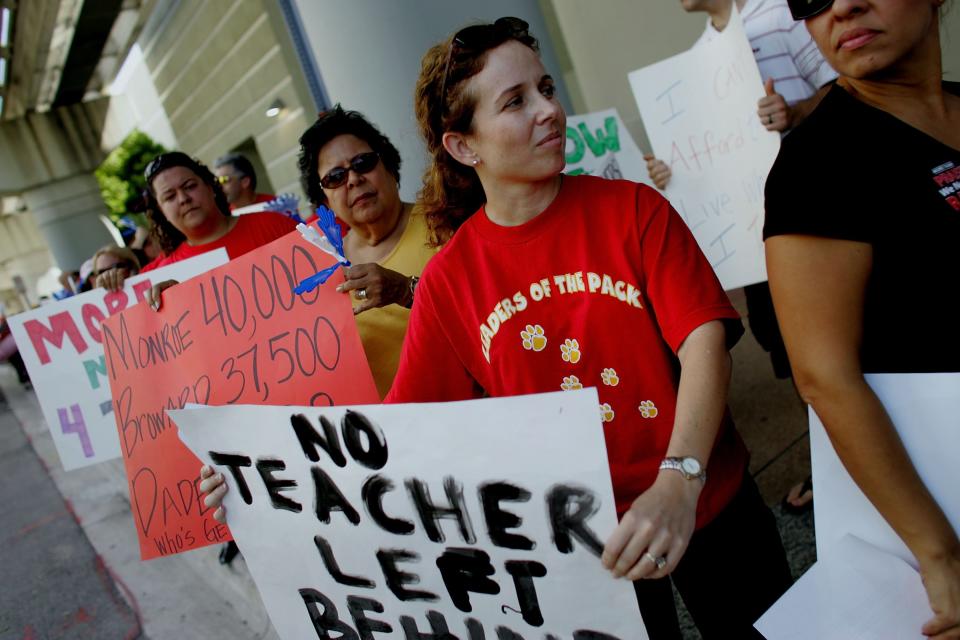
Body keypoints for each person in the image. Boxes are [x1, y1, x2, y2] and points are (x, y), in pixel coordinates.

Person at [204, 16, 792, 638]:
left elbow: (704, 340)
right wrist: (260, 471)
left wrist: (681, 479)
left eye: (546, 88)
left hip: (709, 502)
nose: (548, 110)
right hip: (579, 549)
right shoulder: (450, 281)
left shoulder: (633, 208)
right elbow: (396, 432)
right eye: (516, 101)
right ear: (464, 145)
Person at [764, 0, 959, 636]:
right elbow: (824, 376)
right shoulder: (817, 164)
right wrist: (939, 553)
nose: (841, 6)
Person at [297, 106, 437, 399]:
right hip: (391, 437)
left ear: (389, 165)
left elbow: (484, 304)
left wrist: (406, 290)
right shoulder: (322, 270)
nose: (353, 179)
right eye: (335, 177)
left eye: (363, 162)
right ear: (325, 199)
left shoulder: (444, 221)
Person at [138, 152, 297, 275]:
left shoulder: (274, 225)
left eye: (190, 186)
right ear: (161, 210)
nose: (183, 199)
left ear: (210, 187)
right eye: (170, 196)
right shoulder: (164, 275)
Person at [213, 152, 277, 211]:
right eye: (216, 182)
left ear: (245, 182)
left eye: (223, 180)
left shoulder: (276, 207)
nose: (219, 186)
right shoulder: (225, 218)